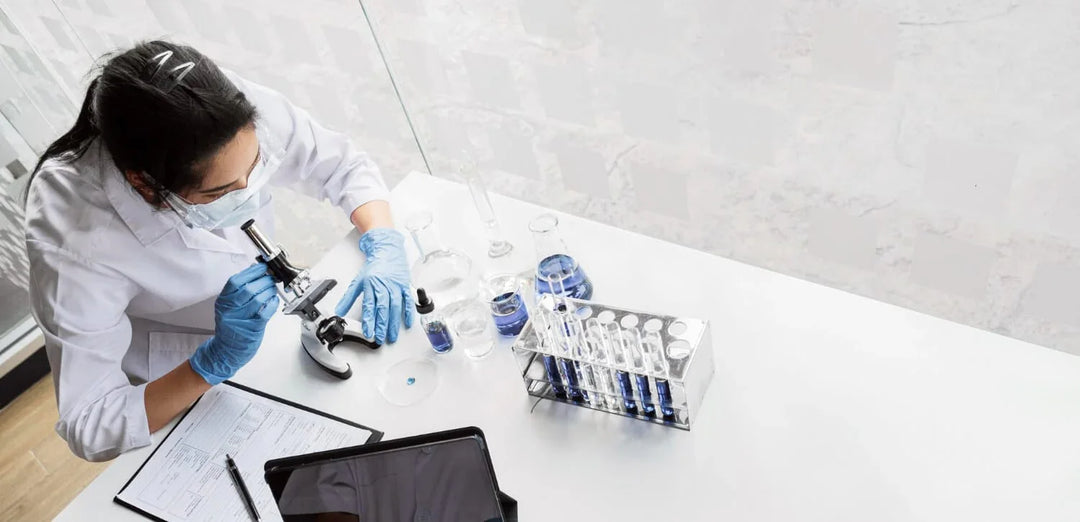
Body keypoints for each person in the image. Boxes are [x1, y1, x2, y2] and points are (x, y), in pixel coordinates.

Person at [24, 40, 414, 462]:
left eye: (254, 169)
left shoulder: (215, 108)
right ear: (145, 184)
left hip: (265, 344)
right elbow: (89, 425)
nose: (246, 195)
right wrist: (210, 363)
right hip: (179, 374)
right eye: (220, 192)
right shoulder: (72, 237)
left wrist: (383, 241)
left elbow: (339, 164)